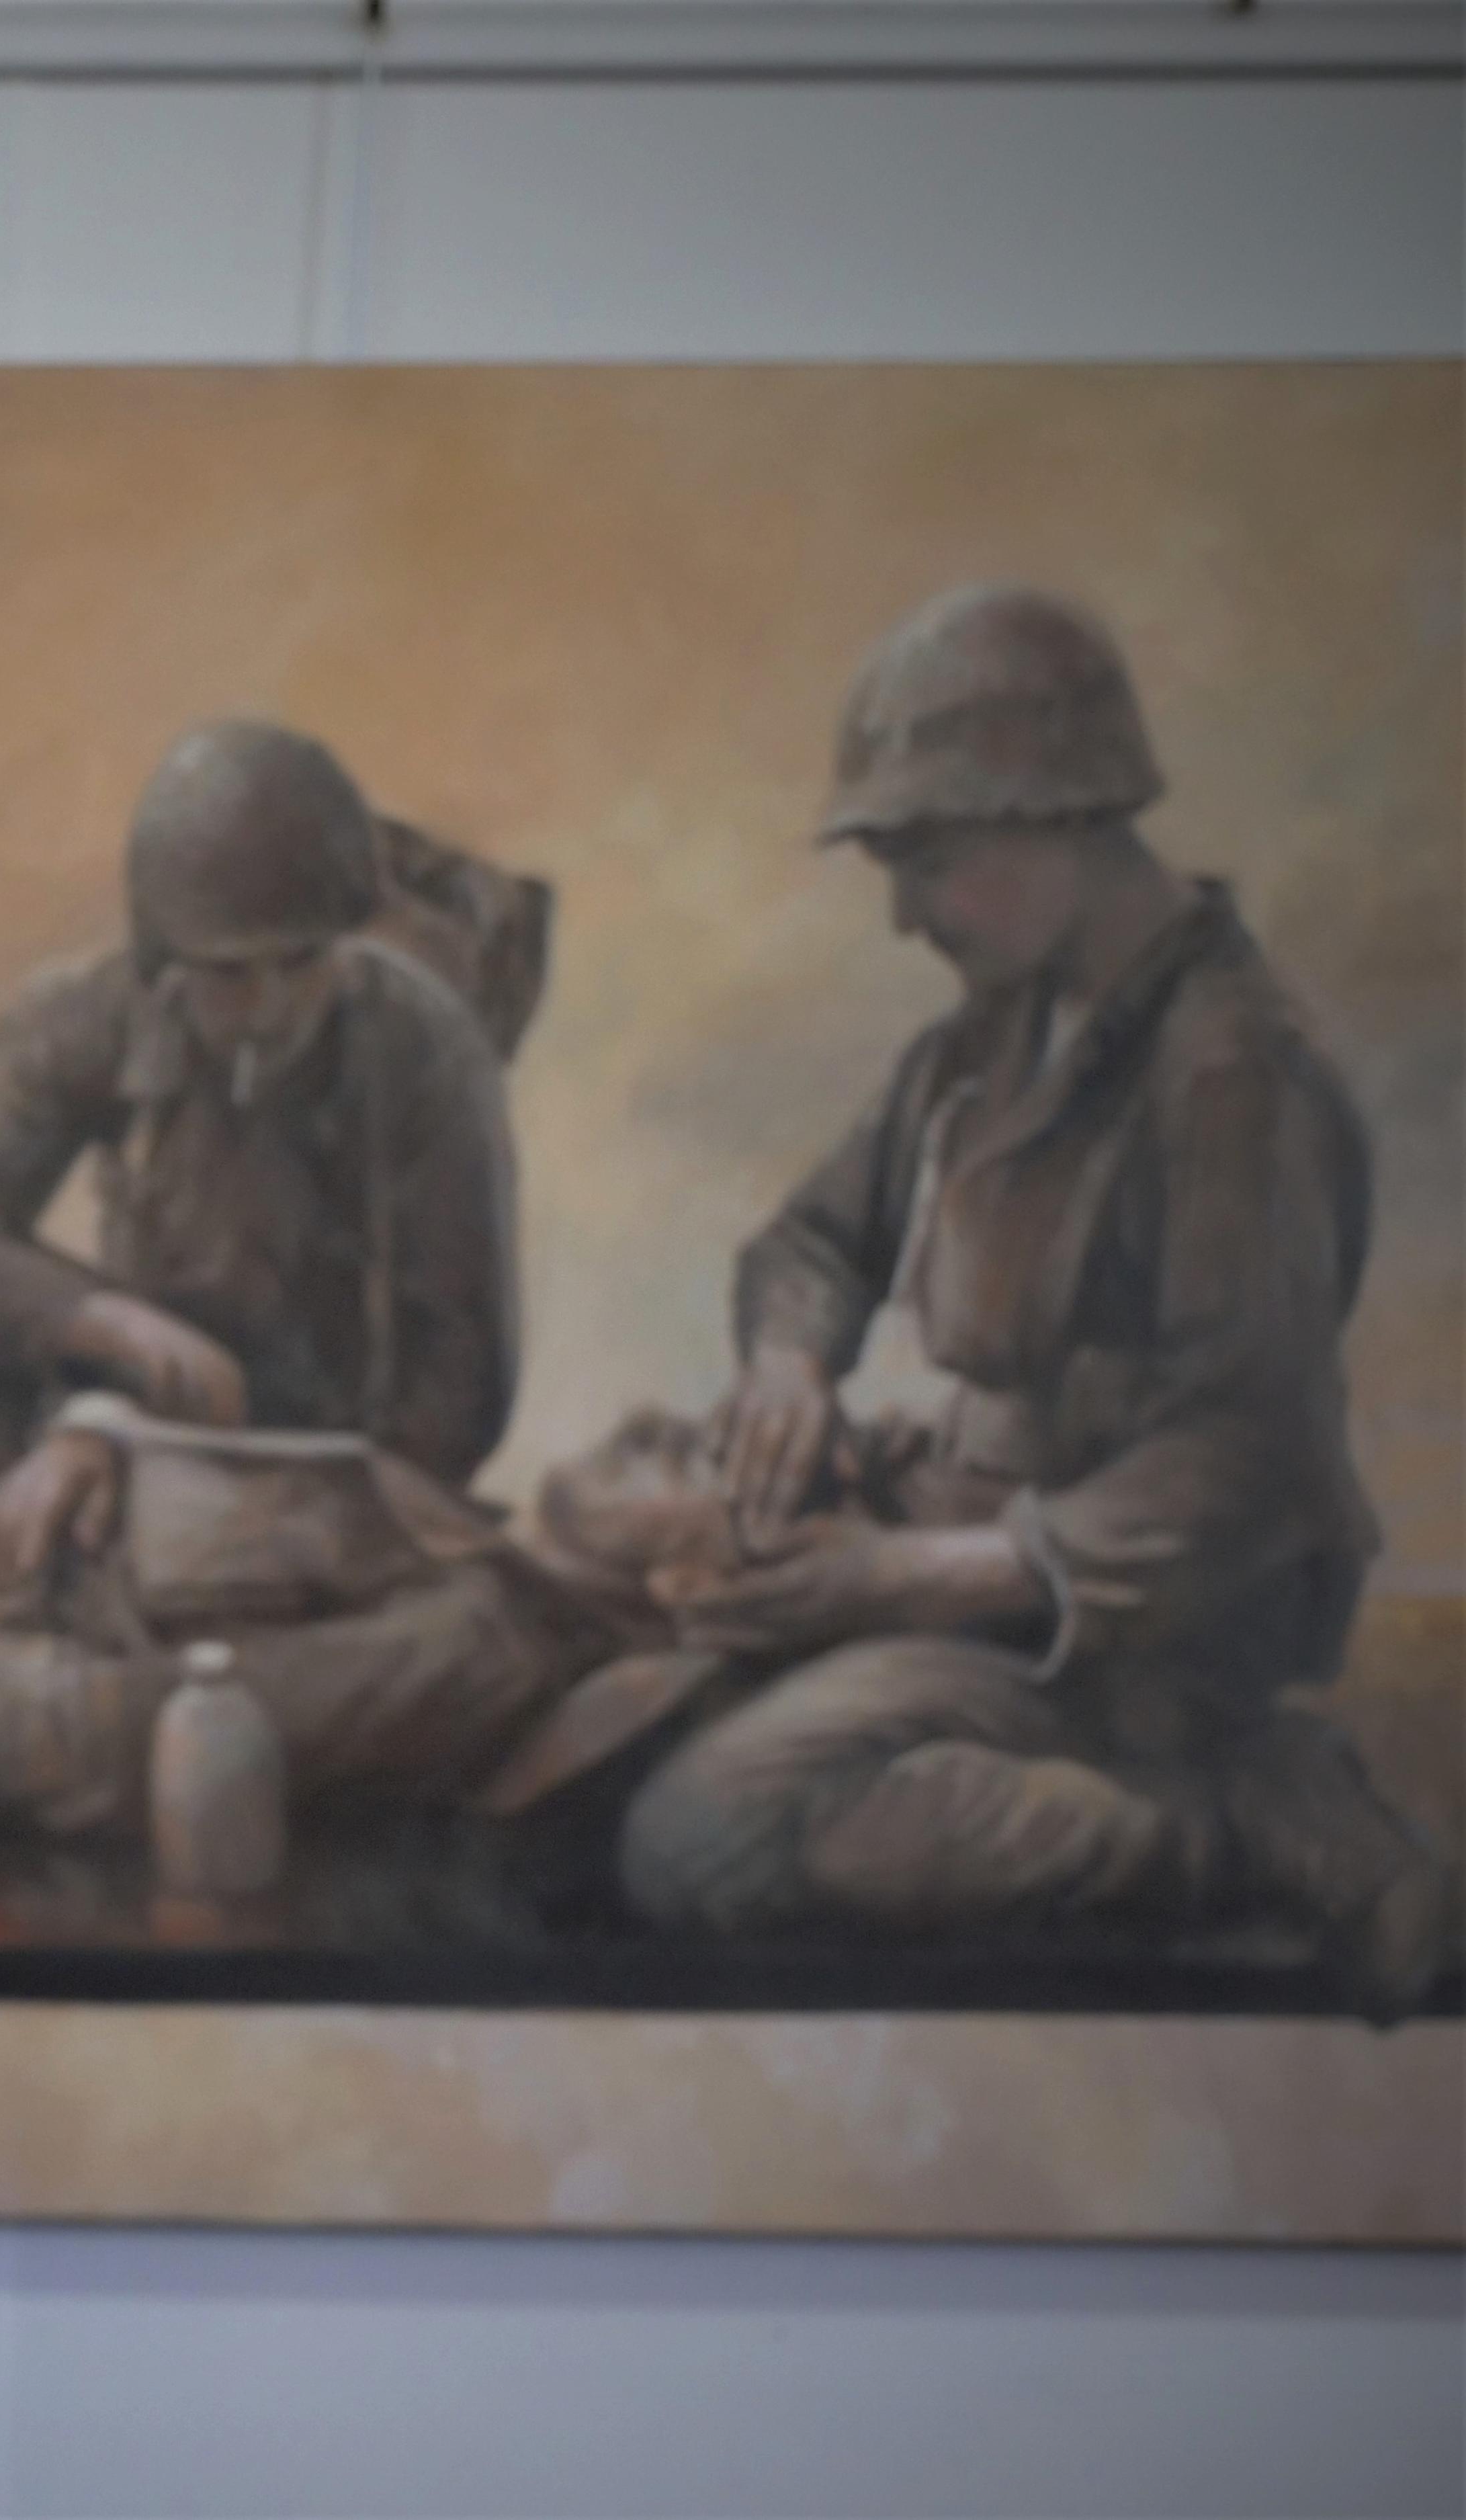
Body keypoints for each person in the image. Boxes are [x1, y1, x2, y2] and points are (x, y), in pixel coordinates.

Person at [620, 583, 1450, 2001]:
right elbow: (814, 1243)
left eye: (927, 860)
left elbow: (1245, 1463)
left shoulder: (1230, 1076)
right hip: (973, 1572)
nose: (901, 916)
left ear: (1058, 812)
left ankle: (1234, 1823)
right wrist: (789, 1367)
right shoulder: (979, 1049)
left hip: (1149, 1645)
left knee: (701, 1847)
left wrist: (897, 1580)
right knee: (620, 1706)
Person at [0, 720, 523, 1628]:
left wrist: (273, 1512)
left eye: (302, 961)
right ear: (166, 959)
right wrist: (110, 1327)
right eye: (229, 971)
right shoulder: (90, 1015)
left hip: (326, 1491)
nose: (269, 1007)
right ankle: (23, 1571)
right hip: (94, 1435)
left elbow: (462, 1385)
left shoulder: (428, 1051)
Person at [0, 1401, 787, 1862]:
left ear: (689, 1578)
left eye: (700, 1457)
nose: (659, 1414)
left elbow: (165, 1716)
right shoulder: (479, 1540)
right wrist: (93, 1435)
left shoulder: (485, 1643)